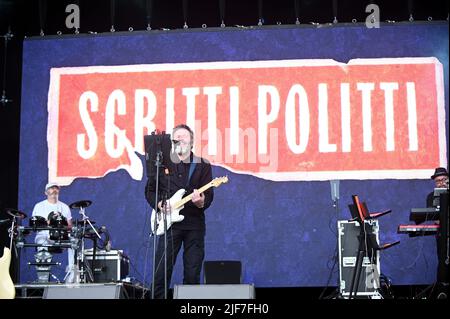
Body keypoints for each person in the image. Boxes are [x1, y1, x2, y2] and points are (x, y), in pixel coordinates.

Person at [145, 124, 214, 299]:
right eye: (177, 137)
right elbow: (150, 190)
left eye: (184, 137)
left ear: (192, 143)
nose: (180, 139)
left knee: (192, 271)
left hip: (194, 224)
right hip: (169, 224)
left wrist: (201, 201)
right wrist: (160, 203)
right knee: (161, 272)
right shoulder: (162, 164)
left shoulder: (202, 165)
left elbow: (209, 195)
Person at [31, 182, 75, 282]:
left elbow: (70, 226)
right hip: (45, 234)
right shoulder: (39, 206)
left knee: (74, 242)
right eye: (51, 188)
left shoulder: (64, 207)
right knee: (41, 241)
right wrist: (48, 223)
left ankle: (71, 276)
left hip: (60, 236)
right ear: (46, 192)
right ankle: (43, 278)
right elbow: (35, 224)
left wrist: (61, 224)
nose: (54, 190)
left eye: (56, 188)